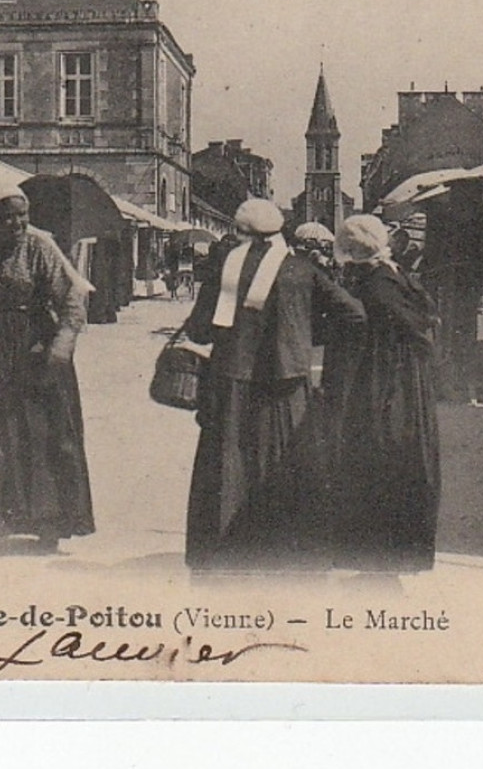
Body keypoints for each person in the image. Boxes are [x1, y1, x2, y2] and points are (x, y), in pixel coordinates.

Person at [182, 198, 365, 571]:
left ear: (240, 231)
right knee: (285, 461)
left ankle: (225, 549)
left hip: (232, 380)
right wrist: (306, 334)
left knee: (228, 462)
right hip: (285, 383)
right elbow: (354, 313)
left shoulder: (224, 266)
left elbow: (199, 328)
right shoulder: (300, 268)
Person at [0, 182, 96, 552]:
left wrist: (62, 343)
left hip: (35, 350)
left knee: (42, 435)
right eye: (7, 217)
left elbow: (71, 296)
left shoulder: (40, 247)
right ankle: (3, 516)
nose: (16, 223)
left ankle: (49, 521)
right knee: (0, 432)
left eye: (22, 215)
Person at [325, 214, 442, 573]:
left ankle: (379, 551)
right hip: (403, 377)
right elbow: (426, 320)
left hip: (385, 380)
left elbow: (412, 328)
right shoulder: (392, 274)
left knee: (380, 454)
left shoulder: (376, 285)